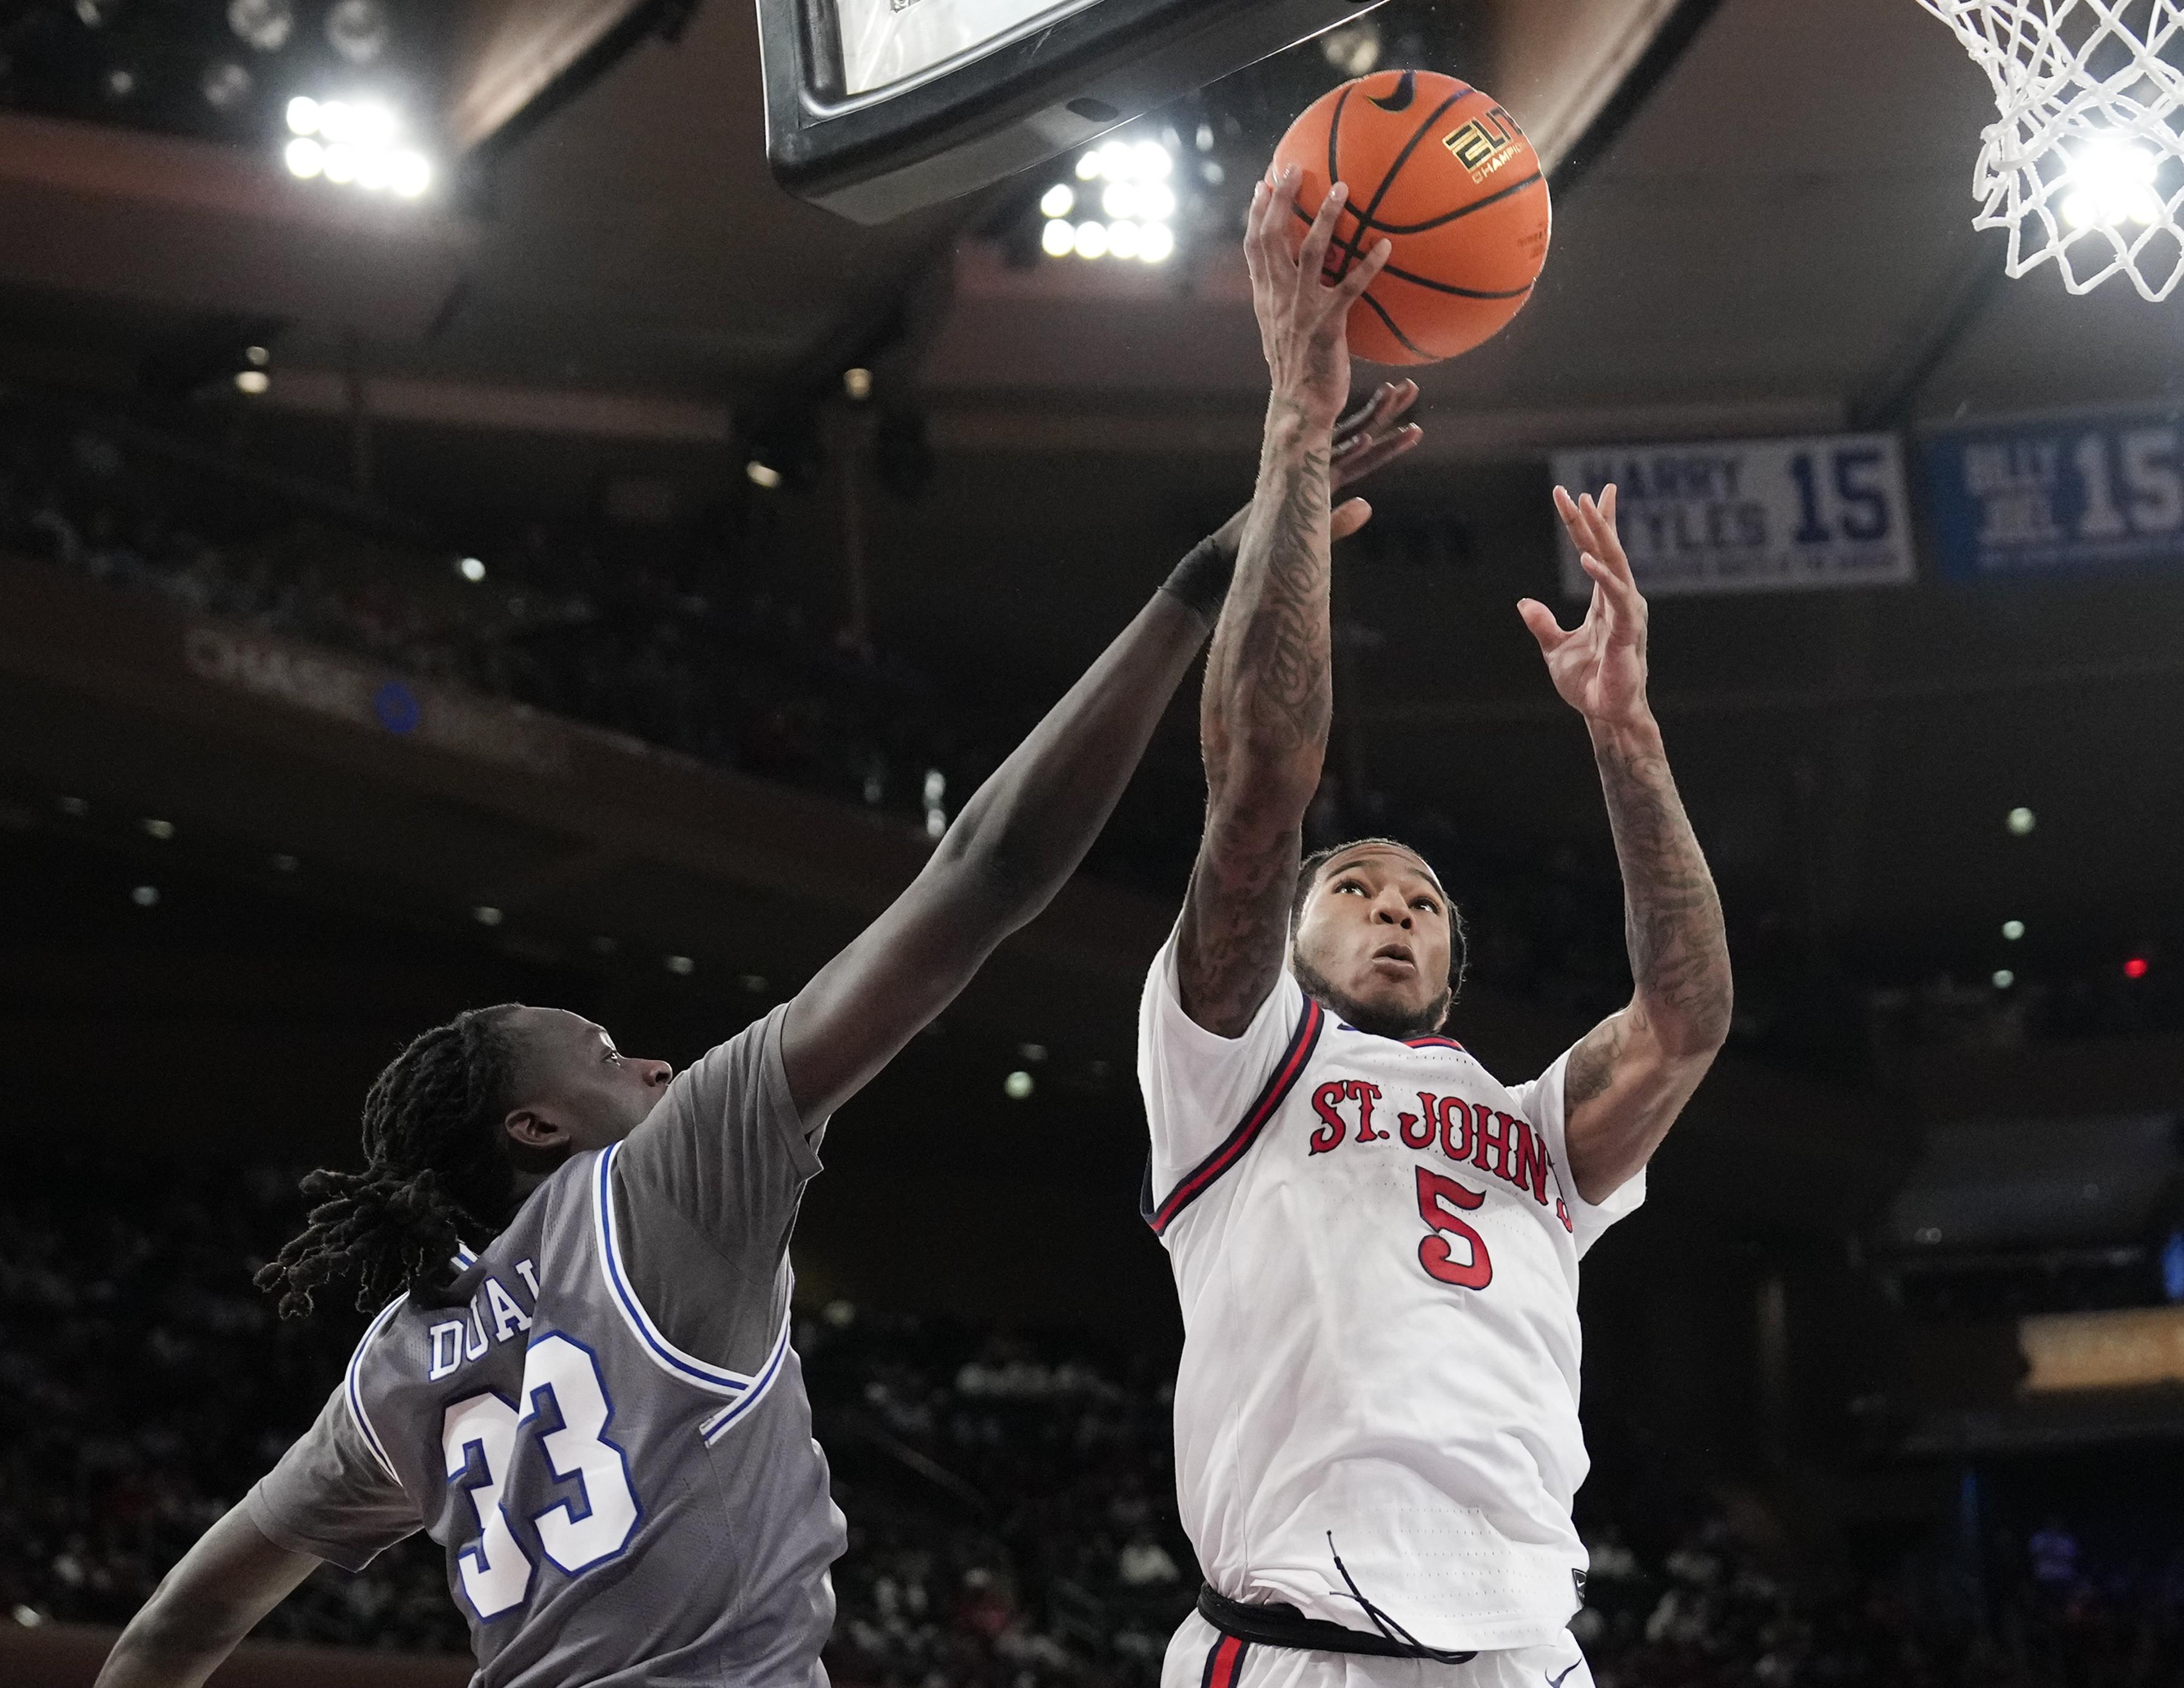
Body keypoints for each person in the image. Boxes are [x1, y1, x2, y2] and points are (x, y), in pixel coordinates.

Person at [92, 385, 1423, 1688]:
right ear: (533, 1125)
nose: (652, 1064)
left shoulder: (394, 1364)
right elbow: (987, 869)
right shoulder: (656, 1182)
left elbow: (169, 1630)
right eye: (602, 1050)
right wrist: (1192, 587)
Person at [1138, 165, 1733, 1688]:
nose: (1395, 908)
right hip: (1300, 1646)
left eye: (1421, 902)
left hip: (1526, 1649)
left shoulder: (1536, 1131)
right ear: (1292, 936)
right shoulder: (1233, 1065)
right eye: (1357, 889)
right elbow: (1259, 786)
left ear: (1456, 966)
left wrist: (1625, 732)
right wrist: (1294, 419)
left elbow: (1683, 1018)